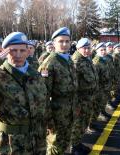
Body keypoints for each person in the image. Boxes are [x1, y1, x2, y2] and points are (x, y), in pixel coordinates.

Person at [38, 27, 78, 155]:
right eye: (61, 41)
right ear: (54, 43)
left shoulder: (68, 60)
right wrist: (49, 120)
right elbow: (42, 95)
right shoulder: (50, 63)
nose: (65, 44)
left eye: (67, 41)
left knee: (65, 142)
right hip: (56, 114)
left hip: (69, 111)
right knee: (55, 145)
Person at [70, 38, 98, 154]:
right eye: (84, 48)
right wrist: (76, 103)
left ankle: (78, 142)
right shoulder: (76, 62)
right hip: (80, 100)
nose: (87, 50)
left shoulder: (87, 59)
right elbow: (73, 85)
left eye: (88, 48)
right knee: (78, 124)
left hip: (88, 99)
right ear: (78, 49)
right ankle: (74, 147)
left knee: (84, 123)